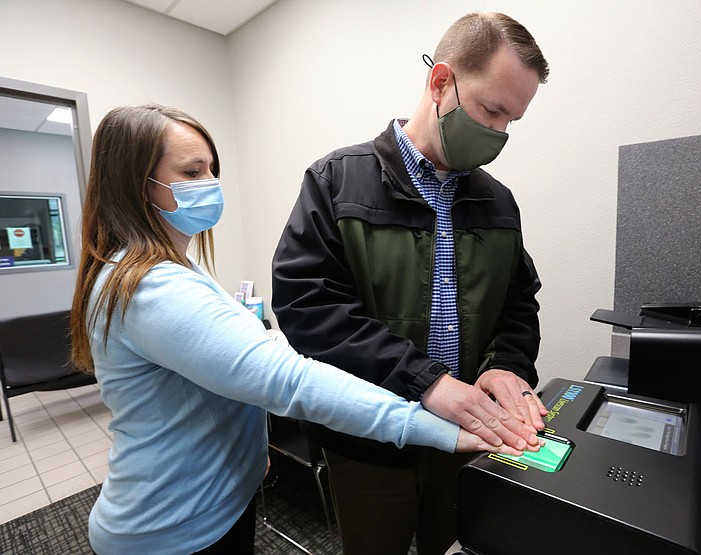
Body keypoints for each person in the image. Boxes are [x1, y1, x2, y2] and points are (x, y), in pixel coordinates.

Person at [69, 104, 521, 555]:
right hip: (168, 527)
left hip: (211, 505)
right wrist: (453, 428)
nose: (210, 185)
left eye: (211, 170)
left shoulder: (176, 267)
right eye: (191, 172)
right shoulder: (152, 287)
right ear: (135, 185)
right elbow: (290, 381)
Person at [271, 11, 550, 555]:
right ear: (441, 81)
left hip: (466, 438)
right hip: (371, 444)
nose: (497, 133)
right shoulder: (336, 181)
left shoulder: (496, 200)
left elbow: (519, 299)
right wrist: (424, 381)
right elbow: (308, 307)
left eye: (511, 122)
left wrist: (508, 366)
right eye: (491, 110)